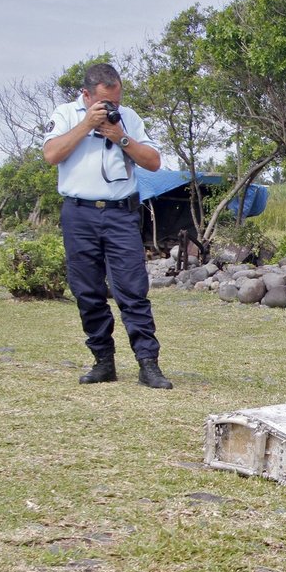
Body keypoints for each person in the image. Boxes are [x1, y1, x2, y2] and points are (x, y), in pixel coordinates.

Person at [43, 63, 173, 389]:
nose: (111, 108)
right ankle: (103, 362)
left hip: (120, 214)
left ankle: (148, 364)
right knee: (87, 290)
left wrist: (122, 138)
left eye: (115, 101)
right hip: (79, 214)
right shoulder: (65, 115)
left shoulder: (128, 117)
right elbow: (51, 154)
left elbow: (154, 162)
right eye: (103, 102)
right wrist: (87, 124)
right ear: (86, 95)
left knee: (132, 289)